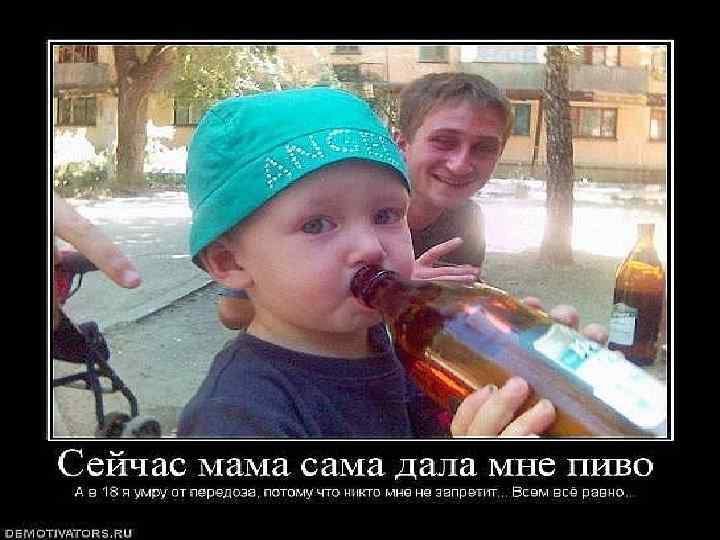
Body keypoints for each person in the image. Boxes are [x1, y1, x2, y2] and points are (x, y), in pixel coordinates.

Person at [177, 87, 555, 438]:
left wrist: (520, 385)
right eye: (317, 224)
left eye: (386, 215)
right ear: (230, 261)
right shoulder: (238, 416)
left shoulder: (388, 342)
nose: (371, 247)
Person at [214, 73, 606, 341]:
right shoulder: (337, 203)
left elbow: (448, 317)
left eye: (483, 148)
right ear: (401, 143)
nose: (461, 164)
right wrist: (393, 292)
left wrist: (514, 332)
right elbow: (232, 313)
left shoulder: (467, 219)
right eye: (444, 141)